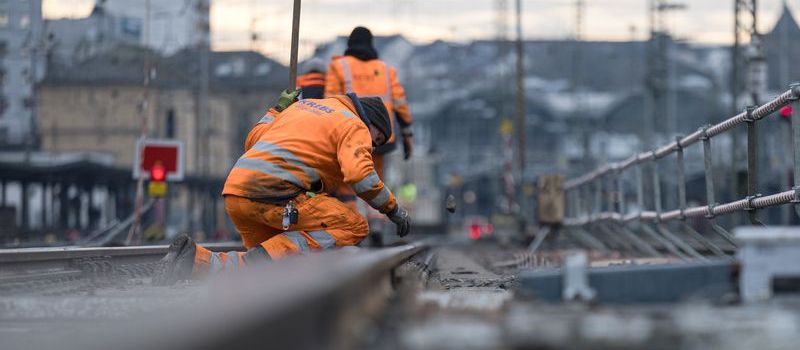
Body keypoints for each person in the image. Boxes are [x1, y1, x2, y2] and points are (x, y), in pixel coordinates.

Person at [155, 93, 411, 284]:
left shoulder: (301, 107)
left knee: (263, 273)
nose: (373, 147)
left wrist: (277, 108)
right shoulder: (354, 125)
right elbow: (361, 176)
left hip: (237, 193)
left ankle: (191, 259)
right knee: (354, 225)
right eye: (375, 140)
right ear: (371, 123)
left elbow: (253, 139)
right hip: (275, 195)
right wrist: (393, 209)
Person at [325, 26, 413, 188]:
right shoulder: (385, 70)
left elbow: (331, 102)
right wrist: (407, 134)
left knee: (348, 179)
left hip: (349, 134)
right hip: (380, 135)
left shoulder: (338, 66)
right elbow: (400, 104)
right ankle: (376, 211)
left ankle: (352, 210)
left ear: (350, 44)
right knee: (375, 181)